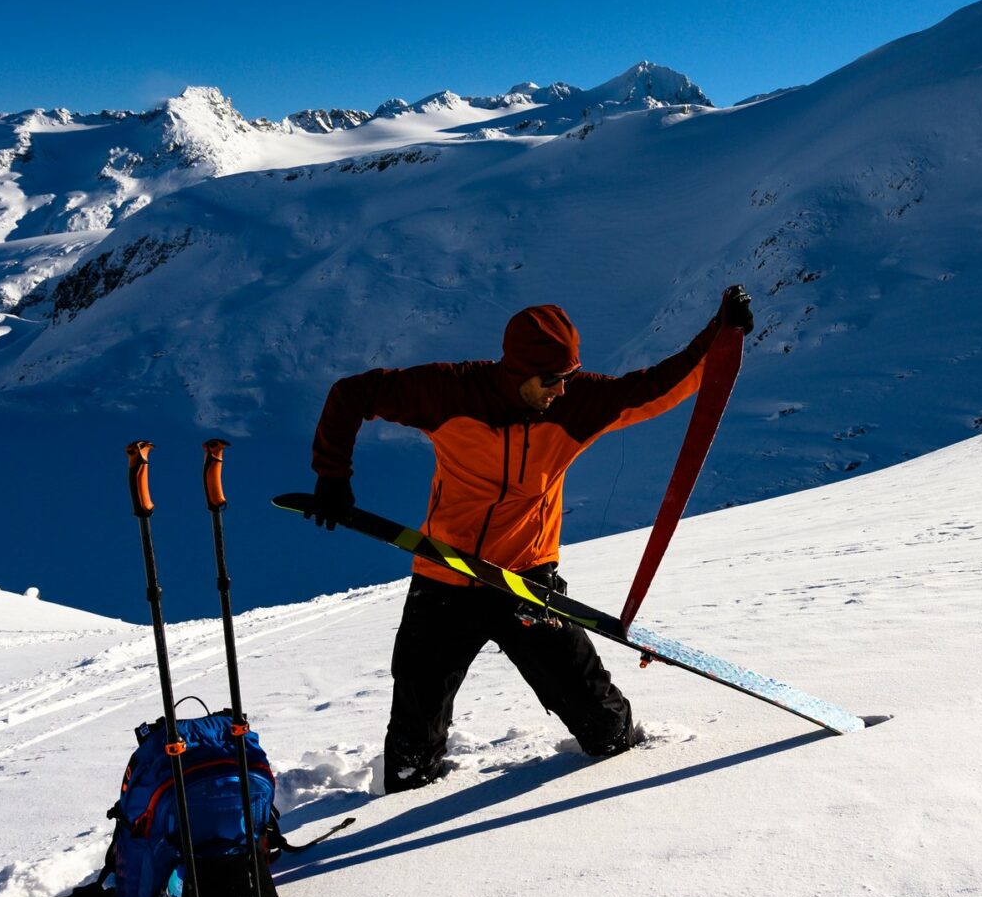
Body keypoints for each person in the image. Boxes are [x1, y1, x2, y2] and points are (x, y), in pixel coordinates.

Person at [307, 286, 754, 794]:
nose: (561, 390)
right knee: (412, 754)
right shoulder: (448, 392)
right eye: (551, 380)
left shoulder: (577, 404)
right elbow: (352, 394)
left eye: (567, 377)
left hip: (526, 583)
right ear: (519, 371)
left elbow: (656, 389)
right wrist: (332, 475)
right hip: (444, 580)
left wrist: (718, 333)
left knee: (606, 730)